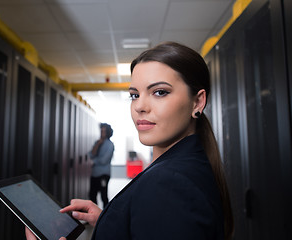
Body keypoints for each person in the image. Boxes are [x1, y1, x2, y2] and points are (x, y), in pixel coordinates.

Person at [26, 42, 234, 240]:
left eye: (160, 92)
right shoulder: (188, 164)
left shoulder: (168, 182)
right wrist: (111, 222)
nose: (139, 106)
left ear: (197, 101)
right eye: (134, 95)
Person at [89, 123, 114, 208]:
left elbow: (104, 160)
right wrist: (98, 144)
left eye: (104, 131)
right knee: (92, 195)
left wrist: (94, 161)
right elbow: (91, 155)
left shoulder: (110, 145)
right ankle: (93, 216)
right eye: (101, 131)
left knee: (103, 196)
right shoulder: (97, 142)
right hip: (94, 174)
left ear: (108, 133)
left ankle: (105, 217)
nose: (102, 133)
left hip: (104, 175)